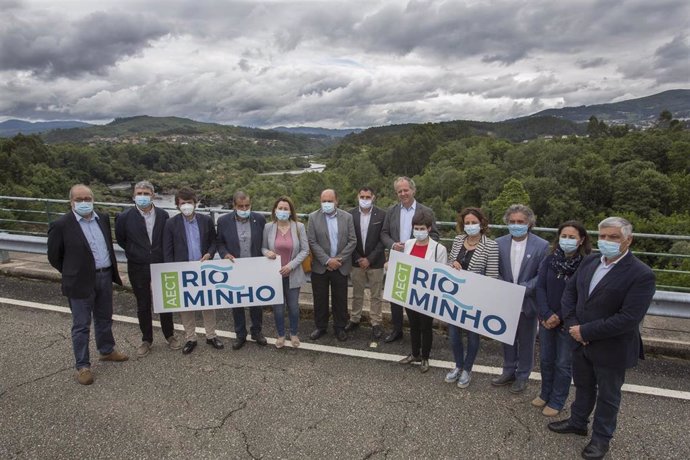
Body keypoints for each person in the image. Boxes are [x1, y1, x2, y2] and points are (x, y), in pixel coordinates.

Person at [548, 217, 655, 460]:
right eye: (603, 236)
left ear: (628, 240)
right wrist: (574, 325)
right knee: (583, 385)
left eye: (614, 237)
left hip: (612, 346)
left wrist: (586, 332)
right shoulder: (591, 261)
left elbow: (629, 317)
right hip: (579, 339)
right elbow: (571, 292)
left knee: (608, 395)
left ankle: (601, 439)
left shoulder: (641, 274)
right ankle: (577, 422)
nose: (606, 241)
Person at [47, 184, 128, 385]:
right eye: (79, 199)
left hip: (105, 275)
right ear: (71, 202)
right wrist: (73, 273)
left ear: (93, 199)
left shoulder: (103, 218)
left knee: (104, 317)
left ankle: (107, 350)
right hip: (80, 281)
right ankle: (83, 366)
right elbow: (54, 256)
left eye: (87, 198)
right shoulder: (61, 225)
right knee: (81, 325)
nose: (84, 202)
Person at [115, 180, 181, 357]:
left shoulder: (163, 215)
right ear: (133, 196)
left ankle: (169, 335)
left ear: (153, 195)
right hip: (138, 265)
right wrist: (137, 252)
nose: (142, 197)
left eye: (146, 193)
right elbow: (122, 239)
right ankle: (146, 339)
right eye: (139, 193)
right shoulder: (124, 217)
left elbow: (166, 238)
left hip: (161, 263)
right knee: (142, 303)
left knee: (165, 302)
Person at [533, 221, 591, 416]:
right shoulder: (550, 259)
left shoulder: (586, 264)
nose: (566, 240)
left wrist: (558, 315)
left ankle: (557, 401)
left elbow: (577, 294)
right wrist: (546, 313)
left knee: (563, 363)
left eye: (572, 237)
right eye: (564, 236)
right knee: (546, 359)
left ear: (581, 240)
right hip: (547, 318)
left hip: (569, 321)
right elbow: (540, 287)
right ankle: (545, 393)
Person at [492, 204, 549, 393]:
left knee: (527, 340)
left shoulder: (541, 245)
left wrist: (522, 289)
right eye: (512, 221)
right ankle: (508, 371)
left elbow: (542, 275)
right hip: (506, 300)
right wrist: (506, 288)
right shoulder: (498, 243)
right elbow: (494, 271)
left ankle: (523, 375)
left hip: (528, 301)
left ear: (529, 223)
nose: (516, 225)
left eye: (520, 222)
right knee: (507, 338)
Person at [162, 188, 223, 354]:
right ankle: (191, 338)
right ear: (177, 205)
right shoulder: (171, 224)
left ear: (195, 203)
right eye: (183, 203)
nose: (186, 206)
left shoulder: (206, 220)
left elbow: (214, 241)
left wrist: (209, 254)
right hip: (182, 270)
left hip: (203, 268)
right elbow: (167, 250)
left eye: (189, 202)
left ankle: (211, 336)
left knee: (208, 303)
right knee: (186, 305)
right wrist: (171, 271)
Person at [444, 207, 499, 388]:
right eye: (467, 223)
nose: (470, 226)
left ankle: (467, 369)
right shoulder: (459, 240)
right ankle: (458, 366)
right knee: (453, 335)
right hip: (455, 296)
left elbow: (492, 276)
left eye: (473, 222)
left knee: (473, 337)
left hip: (476, 298)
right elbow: (449, 263)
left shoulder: (491, 245)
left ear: (481, 223)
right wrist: (453, 264)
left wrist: (469, 276)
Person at [380, 176, 439, 343]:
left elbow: (434, 234)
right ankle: (397, 330)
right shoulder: (391, 211)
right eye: (399, 191)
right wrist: (392, 245)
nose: (403, 193)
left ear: (413, 190)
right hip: (397, 260)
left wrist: (419, 244)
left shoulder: (426, 211)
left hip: (419, 261)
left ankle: (421, 333)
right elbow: (384, 233)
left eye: (406, 190)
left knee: (419, 298)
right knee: (396, 297)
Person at [398, 209, 447, 373]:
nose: (419, 232)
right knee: (413, 325)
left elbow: (442, 274)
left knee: (426, 326)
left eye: (422, 228)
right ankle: (414, 353)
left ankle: (425, 357)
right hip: (410, 292)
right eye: (416, 228)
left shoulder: (439, 249)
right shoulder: (409, 244)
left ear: (429, 229)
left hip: (427, 294)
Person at [217, 191, 268, 349]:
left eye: (247, 205)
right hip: (235, 268)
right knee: (237, 303)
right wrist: (225, 254)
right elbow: (220, 243)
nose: (244, 208)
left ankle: (256, 331)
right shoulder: (223, 221)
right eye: (241, 206)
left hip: (255, 267)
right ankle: (240, 334)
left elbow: (265, 241)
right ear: (234, 206)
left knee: (256, 302)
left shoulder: (259, 219)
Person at [307, 189, 357, 341]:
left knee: (340, 299)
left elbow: (352, 240)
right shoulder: (313, 217)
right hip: (320, 266)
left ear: (336, 201)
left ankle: (340, 327)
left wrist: (338, 260)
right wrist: (328, 260)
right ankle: (320, 327)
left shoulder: (347, 217)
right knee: (320, 299)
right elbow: (312, 242)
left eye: (329, 201)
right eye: (324, 201)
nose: (326, 204)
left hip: (340, 266)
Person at [261, 196, 309, 348]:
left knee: (293, 307)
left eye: (285, 208)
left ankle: (294, 333)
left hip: (292, 273)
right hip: (275, 275)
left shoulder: (298, 227)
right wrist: (267, 252)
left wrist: (291, 265)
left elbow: (305, 250)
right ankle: (281, 335)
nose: (282, 211)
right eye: (280, 208)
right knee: (278, 308)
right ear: (275, 210)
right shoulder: (268, 227)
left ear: (290, 211)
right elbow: (262, 247)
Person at [347, 186, 386, 339]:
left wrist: (369, 259)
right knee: (357, 293)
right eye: (362, 197)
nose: (365, 200)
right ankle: (355, 319)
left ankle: (376, 322)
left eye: (367, 197)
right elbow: (349, 238)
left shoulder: (382, 215)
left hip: (375, 262)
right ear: (358, 196)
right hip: (356, 261)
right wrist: (359, 258)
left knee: (376, 295)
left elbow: (383, 239)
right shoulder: (350, 215)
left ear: (373, 197)